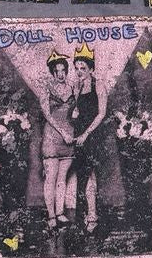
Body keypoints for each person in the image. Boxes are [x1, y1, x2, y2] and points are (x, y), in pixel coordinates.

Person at [68, 45, 107, 231]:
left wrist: (86, 134)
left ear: (91, 69)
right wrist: (73, 114)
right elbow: (75, 113)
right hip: (79, 135)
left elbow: (101, 114)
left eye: (83, 68)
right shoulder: (76, 87)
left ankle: (92, 215)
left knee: (91, 174)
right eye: (76, 68)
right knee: (81, 175)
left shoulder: (98, 85)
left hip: (93, 135)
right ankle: (83, 215)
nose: (79, 72)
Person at [40, 50, 75, 229]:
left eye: (63, 70)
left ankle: (60, 213)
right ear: (52, 72)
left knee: (62, 179)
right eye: (57, 71)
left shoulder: (73, 88)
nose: (60, 74)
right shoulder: (46, 88)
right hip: (53, 137)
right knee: (51, 178)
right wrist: (63, 133)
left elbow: (76, 111)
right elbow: (47, 115)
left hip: (69, 138)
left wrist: (76, 114)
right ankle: (51, 215)